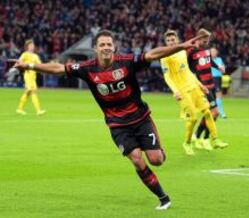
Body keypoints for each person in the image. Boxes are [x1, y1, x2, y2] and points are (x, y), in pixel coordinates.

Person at [14, 30, 206, 210]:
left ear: (114, 47)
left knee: (156, 160)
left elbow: (154, 54)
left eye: (109, 44)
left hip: (140, 118)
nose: (106, 47)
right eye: (102, 44)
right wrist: (30, 66)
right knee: (137, 160)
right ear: (96, 49)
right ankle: (163, 199)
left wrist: (182, 46)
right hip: (117, 125)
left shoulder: (127, 61)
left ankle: (158, 151)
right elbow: (57, 68)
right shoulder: (87, 68)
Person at [160, 30, 225, 154]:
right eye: (168, 40)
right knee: (193, 118)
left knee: (207, 112)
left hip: (194, 86)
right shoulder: (165, 57)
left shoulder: (182, 53)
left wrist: (200, 85)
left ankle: (214, 139)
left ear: (177, 40)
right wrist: (175, 91)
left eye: (172, 40)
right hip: (182, 91)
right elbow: (167, 76)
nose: (170, 42)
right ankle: (187, 142)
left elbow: (189, 72)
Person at [186, 28, 228, 150]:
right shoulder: (191, 51)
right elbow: (186, 68)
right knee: (215, 112)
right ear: (198, 38)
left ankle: (198, 136)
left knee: (211, 113)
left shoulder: (206, 50)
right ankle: (205, 139)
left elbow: (209, 62)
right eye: (205, 40)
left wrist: (218, 66)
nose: (206, 42)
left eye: (207, 40)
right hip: (202, 87)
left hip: (211, 85)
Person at [16, 39, 46, 116]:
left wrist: (44, 69)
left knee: (30, 91)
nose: (33, 46)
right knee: (31, 90)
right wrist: (23, 65)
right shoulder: (25, 54)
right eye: (31, 45)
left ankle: (20, 109)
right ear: (27, 46)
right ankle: (38, 110)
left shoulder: (36, 56)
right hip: (27, 74)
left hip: (33, 76)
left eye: (33, 45)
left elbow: (40, 65)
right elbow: (19, 62)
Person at [210, 47, 227, 118]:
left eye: (214, 51)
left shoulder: (220, 59)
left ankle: (221, 111)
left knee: (218, 95)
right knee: (210, 96)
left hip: (218, 79)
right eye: (212, 51)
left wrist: (223, 69)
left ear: (216, 52)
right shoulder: (208, 60)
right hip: (210, 78)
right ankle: (212, 111)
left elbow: (223, 68)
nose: (213, 53)